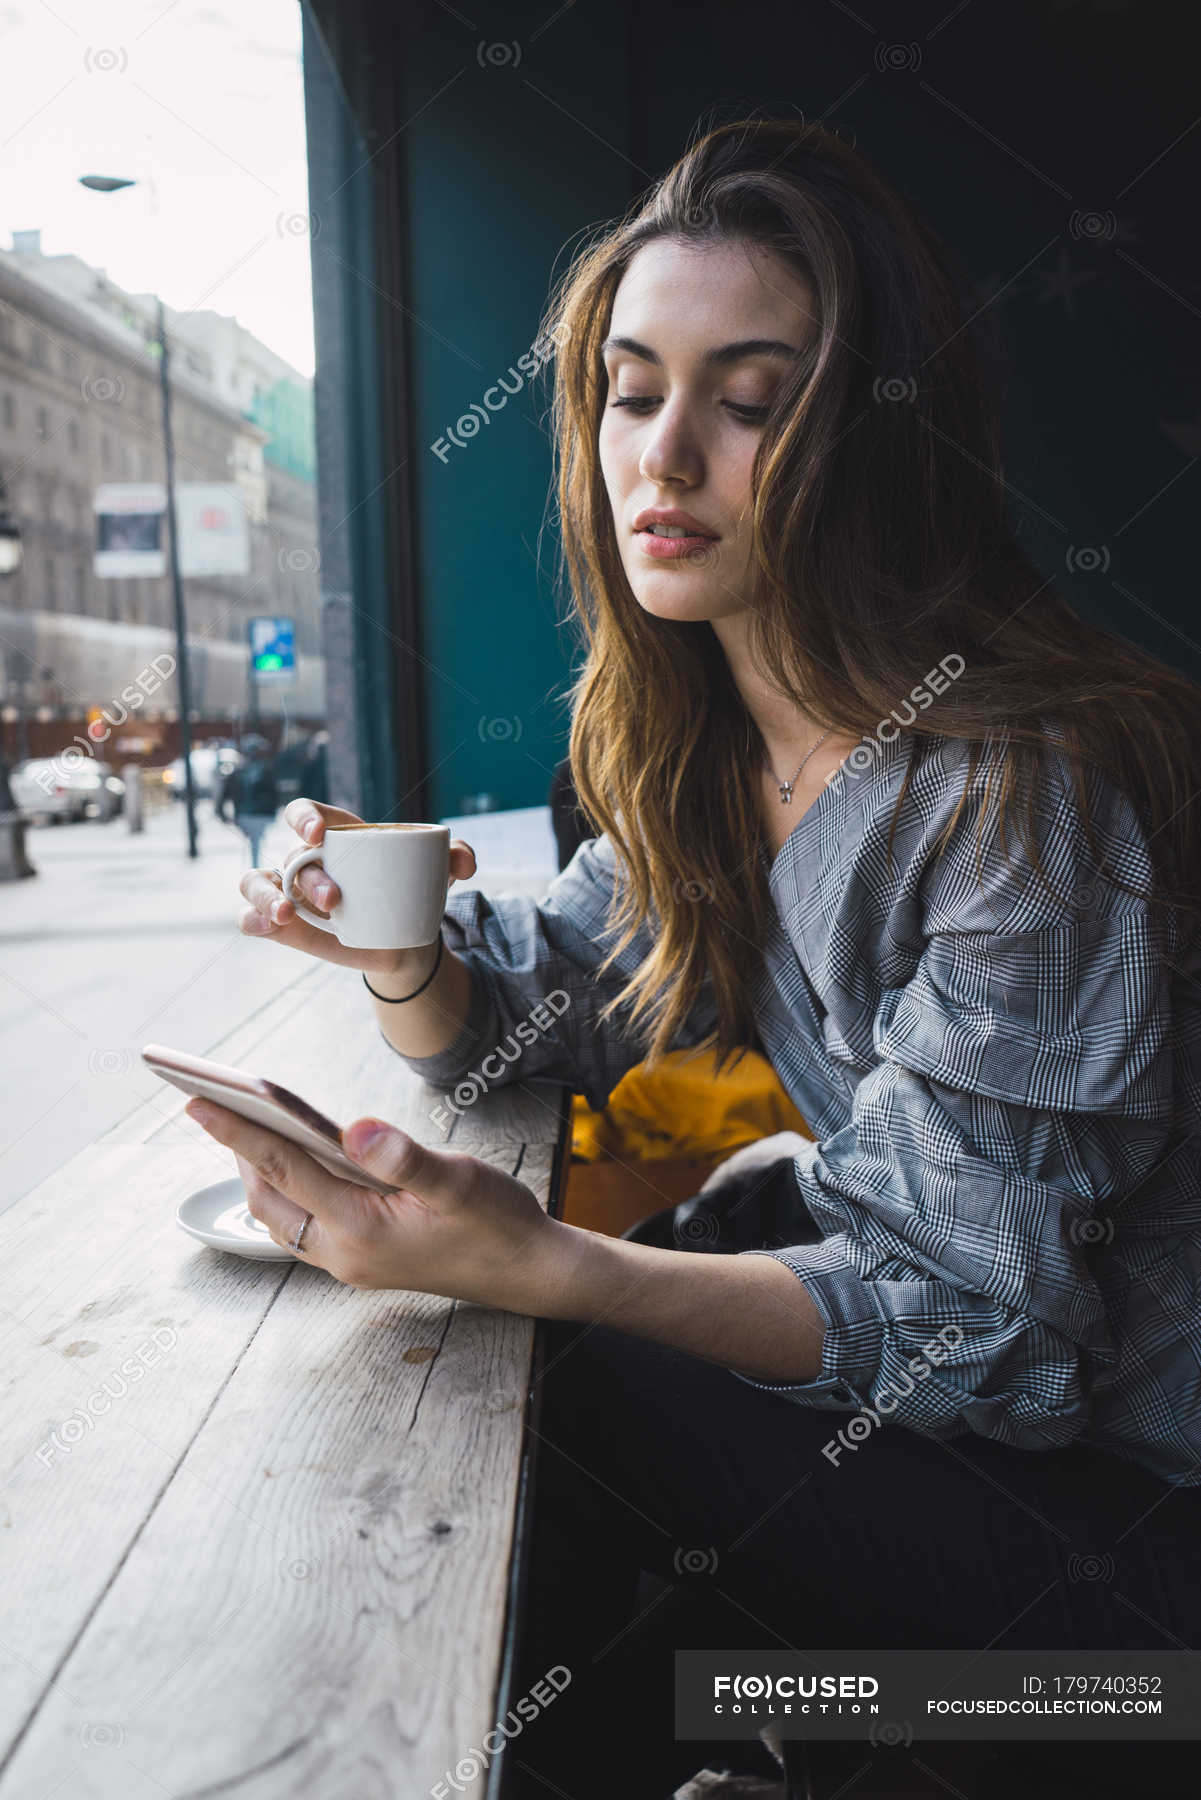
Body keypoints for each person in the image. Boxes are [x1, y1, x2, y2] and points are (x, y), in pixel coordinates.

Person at [187, 117, 1201, 1798]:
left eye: (746, 403)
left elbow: (987, 1340)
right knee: (653, 1302)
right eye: (630, 391)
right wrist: (393, 949)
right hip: (1019, 1498)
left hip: (1140, 1605)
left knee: (574, 1404)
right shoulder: (714, 747)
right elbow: (540, 1007)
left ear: (878, 439)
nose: (666, 457)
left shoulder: (1022, 792)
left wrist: (553, 1264)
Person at [215, 735, 279, 868]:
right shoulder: (264, 771)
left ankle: (255, 868)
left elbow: (223, 796)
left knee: (254, 843)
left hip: (248, 815)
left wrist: (223, 814)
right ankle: (255, 868)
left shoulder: (240, 772)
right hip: (256, 814)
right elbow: (274, 794)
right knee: (255, 842)